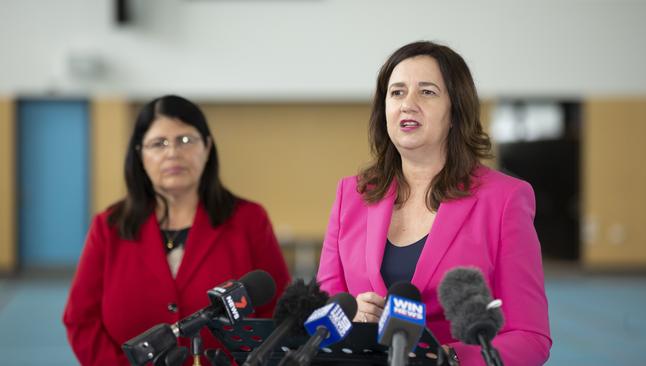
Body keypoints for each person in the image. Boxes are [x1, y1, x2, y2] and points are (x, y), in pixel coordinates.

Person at [316, 41, 551, 365]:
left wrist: (445, 357)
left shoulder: (504, 199)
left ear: (456, 111)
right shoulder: (351, 196)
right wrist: (352, 318)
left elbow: (530, 338)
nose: (407, 104)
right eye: (396, 93)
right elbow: (326, 312)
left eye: (426, 92)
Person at [63, 95, 291, 365]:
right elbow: (81, 320)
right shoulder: (109, 226)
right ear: (140, 154)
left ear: (207, 147)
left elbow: (277, 310)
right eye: (158, 143)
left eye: (185, 140)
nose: (172, 153)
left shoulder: (249, 219)